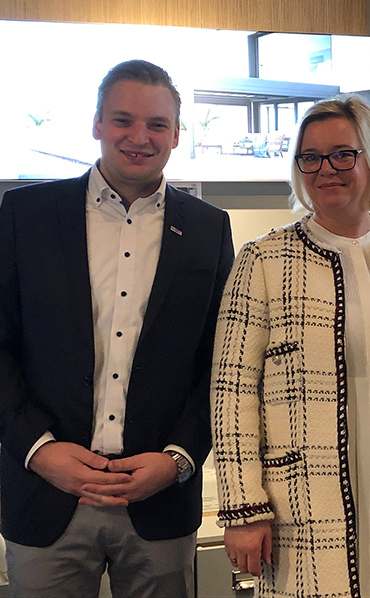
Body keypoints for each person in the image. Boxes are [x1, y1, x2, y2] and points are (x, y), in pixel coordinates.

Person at [211, 94, 370, 598]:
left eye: (343, 153)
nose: (327, 169)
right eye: (311, 157)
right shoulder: (262, 260)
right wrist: (243, 508)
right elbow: (231, 393)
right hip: (308, 492)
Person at [0, 59, 234, 597]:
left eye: (156, 125)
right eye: (123, 119)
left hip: (159, 500)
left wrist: (177, 460)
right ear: (97, 123)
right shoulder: (24, 215)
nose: (139, 137)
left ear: (177, 134)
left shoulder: (207, 228)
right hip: (46, 493)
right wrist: (38, 449)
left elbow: (219, 363)